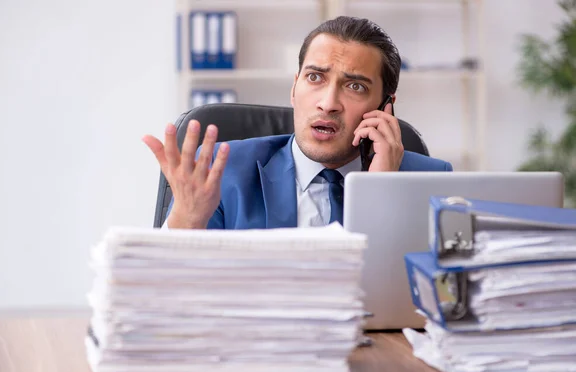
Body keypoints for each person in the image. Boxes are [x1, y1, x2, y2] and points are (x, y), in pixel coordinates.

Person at [143, 16, 453, 230]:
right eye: (315, 77)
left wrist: (381, 192)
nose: (328, 103)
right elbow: (167, 297)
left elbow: (439, 298)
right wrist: (187, 223)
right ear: (294, 88)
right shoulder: (219, 171)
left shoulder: (432, 181)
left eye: (355, 86)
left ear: (385, 107)